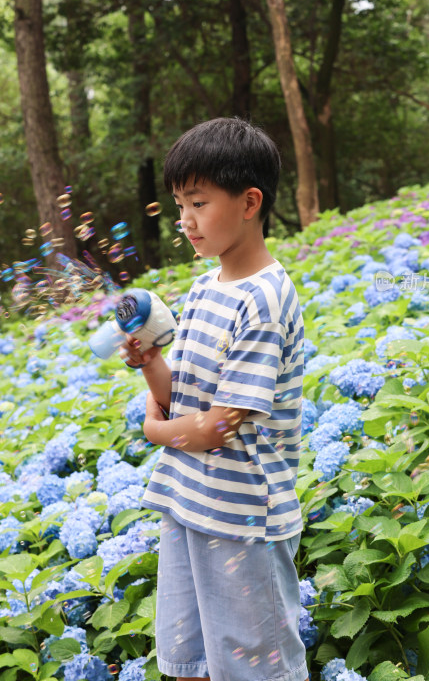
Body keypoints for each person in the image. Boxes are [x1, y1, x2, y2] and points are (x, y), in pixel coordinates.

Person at [121, 118, 308, 681]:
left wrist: (154, 429)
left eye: (198, 203)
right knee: (188, 659)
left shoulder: (267, 299)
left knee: (256, 666)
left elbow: (213, 428)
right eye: (179, 205)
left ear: (249, 202)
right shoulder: (204, 287)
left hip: (242, 518)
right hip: (187, 502)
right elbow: (184, 402)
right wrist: (153, 364)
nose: (185, 221)